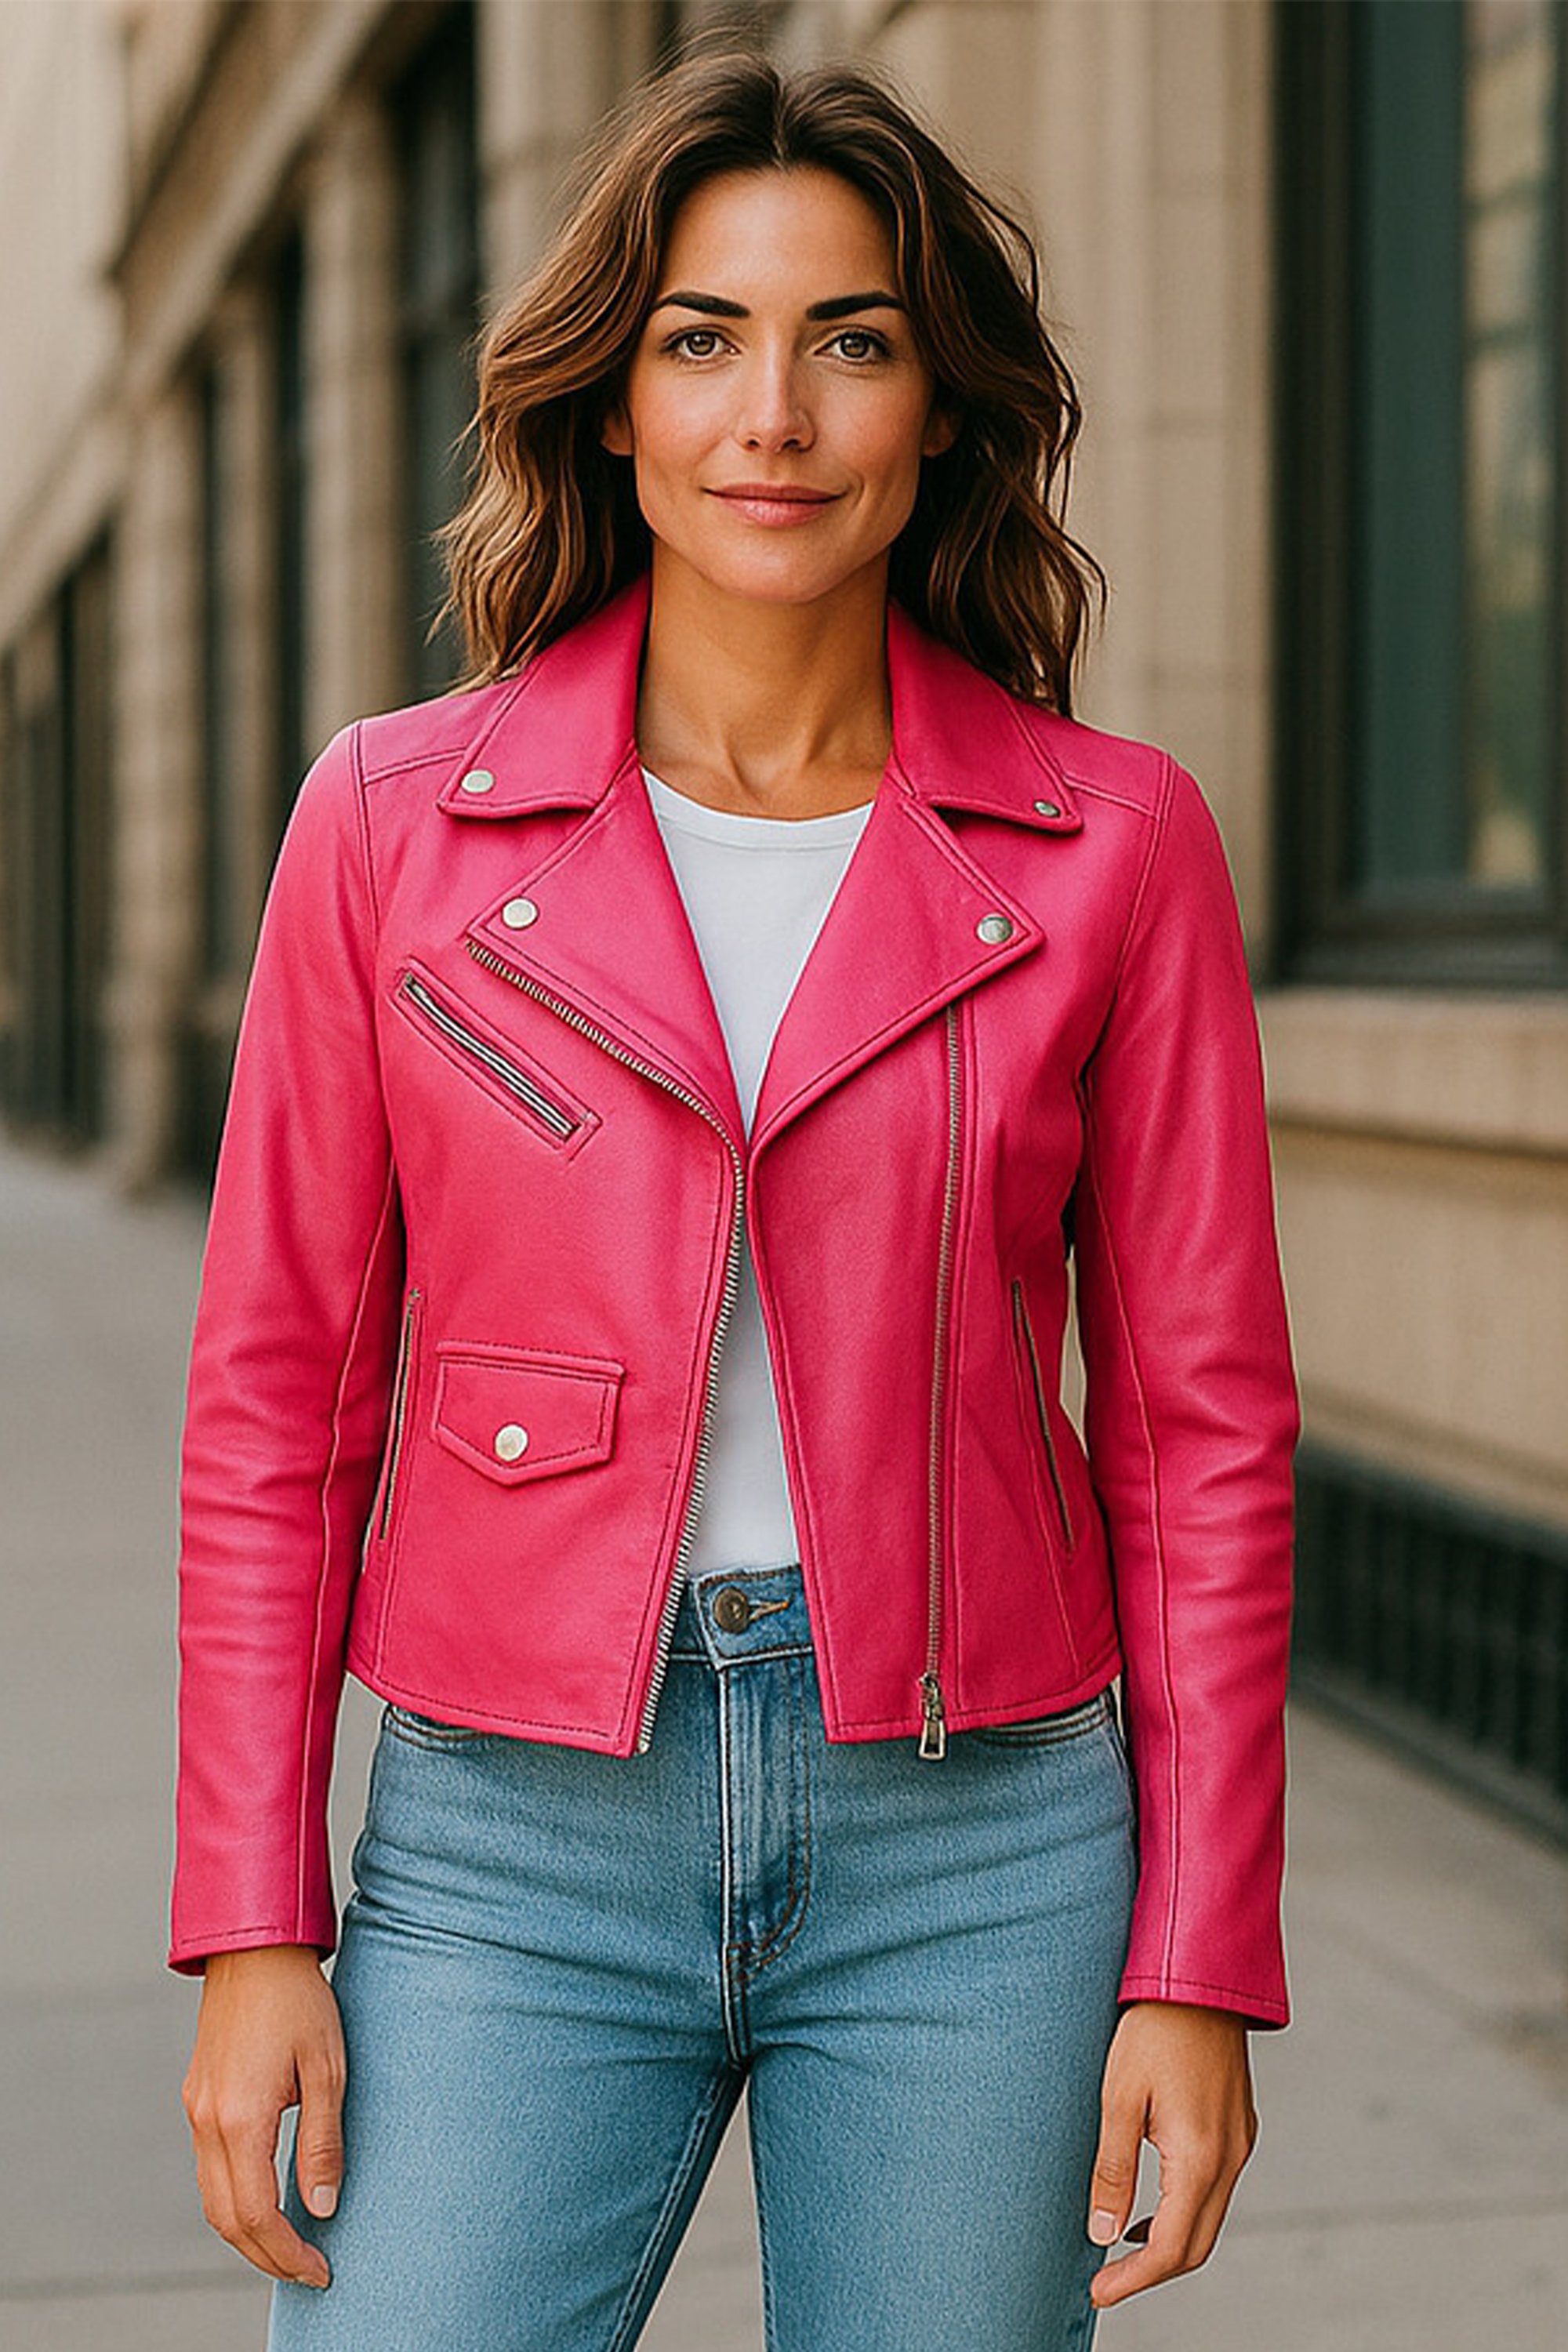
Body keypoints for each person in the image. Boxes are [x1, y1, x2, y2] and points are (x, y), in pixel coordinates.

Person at [172, 44, 1300, 2352]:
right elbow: (276, 1407)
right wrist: (253, 1921)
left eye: (850, 339)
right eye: (703, 336)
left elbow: (1204, 1440)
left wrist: (1201, 1959)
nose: (770, 410)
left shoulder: (1117, 851)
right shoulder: (392, 828)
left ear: (941, 410)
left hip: (979, 1843)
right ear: (613, 401)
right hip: (508, 1837)